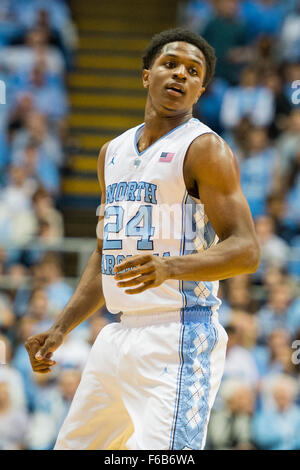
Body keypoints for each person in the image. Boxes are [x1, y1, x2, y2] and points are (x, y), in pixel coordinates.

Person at [25, 28, 260, 450]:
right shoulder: (111, 153)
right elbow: (104, 255)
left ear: (200, 89)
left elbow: (246, 249)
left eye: (193, 72)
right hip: (117, 336)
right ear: (146, 75)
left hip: (180, 335)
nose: (180, 76)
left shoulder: (205, 148)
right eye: (170, 65)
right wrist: (61, 328)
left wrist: (170, 267)